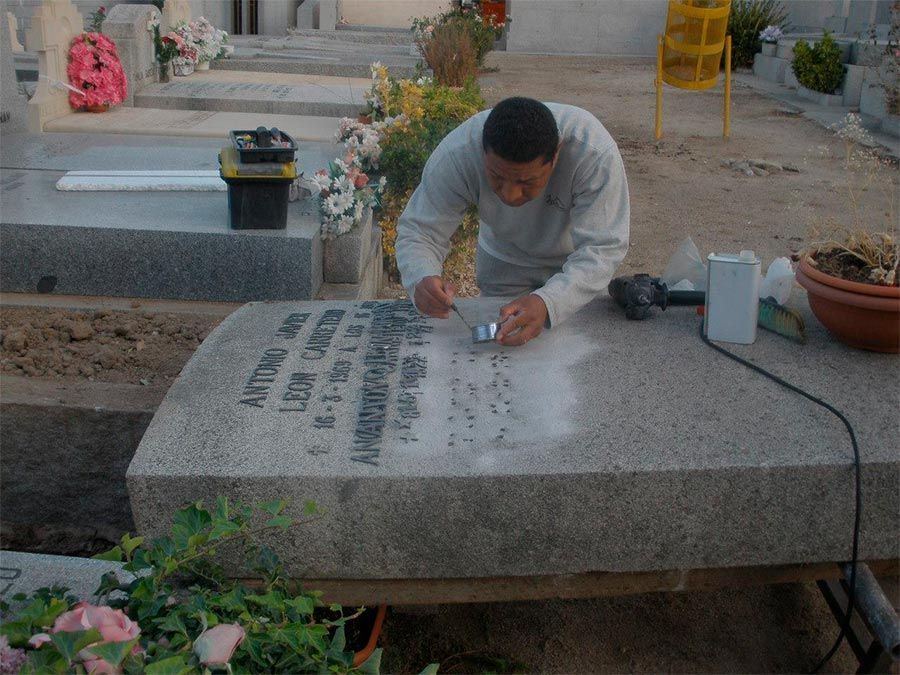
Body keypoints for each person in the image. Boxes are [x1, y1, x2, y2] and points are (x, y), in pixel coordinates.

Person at [395, 97, 630, 346]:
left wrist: (549, 301)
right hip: (503, 262)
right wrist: (421, 275)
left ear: (556, 155)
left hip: (573, 264)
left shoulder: (592, 153)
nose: (510, 195)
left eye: (526, 182)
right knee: (503, 348)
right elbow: (420, 230)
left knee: (571, 350)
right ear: (482, 150)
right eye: (496, 177)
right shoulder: (459, 153)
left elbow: (603, 248)